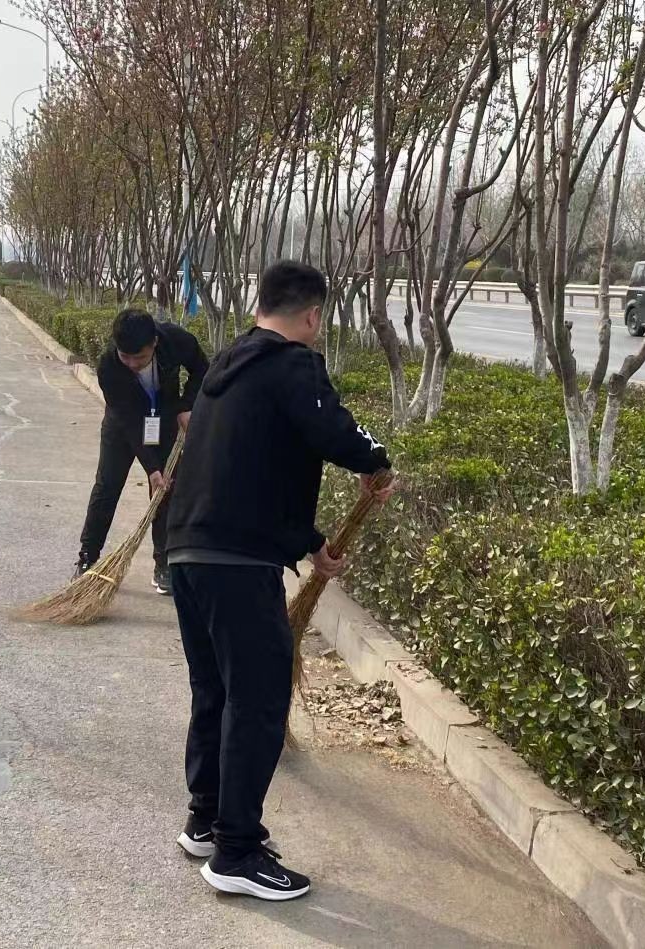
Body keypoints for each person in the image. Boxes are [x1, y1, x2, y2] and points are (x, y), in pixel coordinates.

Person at [166, 261, 395, 901]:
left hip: (189, 553)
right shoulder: (293, 365)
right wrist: (375, 460)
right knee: (259, 701)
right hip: (237, 565)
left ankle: (207, 821)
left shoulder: (226, 365)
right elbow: (335, 431)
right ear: (313, 315)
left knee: (215, 690)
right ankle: (237, 852)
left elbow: (254, 472)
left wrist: (310, 543)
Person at [76, 309, 208, 594]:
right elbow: (128, 421)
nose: (133, 364)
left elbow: (202, 368)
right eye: (126, 357)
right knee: (107, 487)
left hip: (164, 420)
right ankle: (87, 557)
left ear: (155, 343)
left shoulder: (176, 340)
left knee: (165, 492)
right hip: (123, 425)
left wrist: (186, 405)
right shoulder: (109, 366)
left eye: (140, 357)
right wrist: (151, 467)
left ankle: (163, 564)